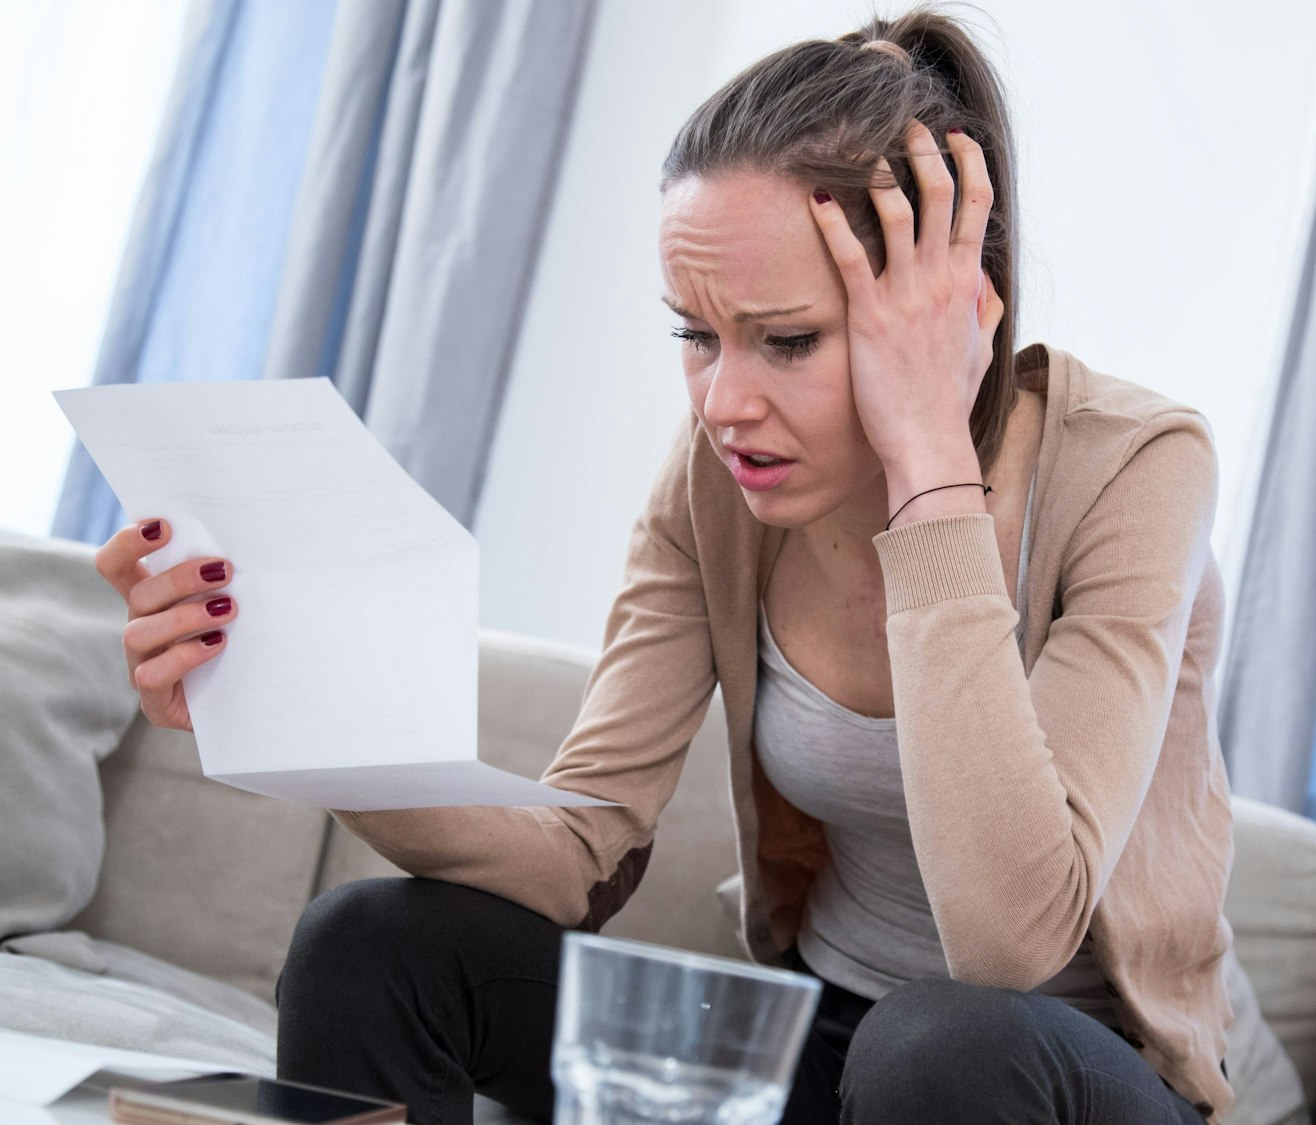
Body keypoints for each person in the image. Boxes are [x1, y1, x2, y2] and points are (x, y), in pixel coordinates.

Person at [92, 5, 1236, 1123]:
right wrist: (294, 717)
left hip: (1050, 1074)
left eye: (785, 339)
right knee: (372, 946)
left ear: (941, 306)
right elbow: (578, 848)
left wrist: (928, 462)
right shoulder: (719, 484)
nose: (724, 403)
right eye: (696, 334)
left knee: (938, 1046)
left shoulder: (1133, 470)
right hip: (823, 1044)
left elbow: (1006, 944)